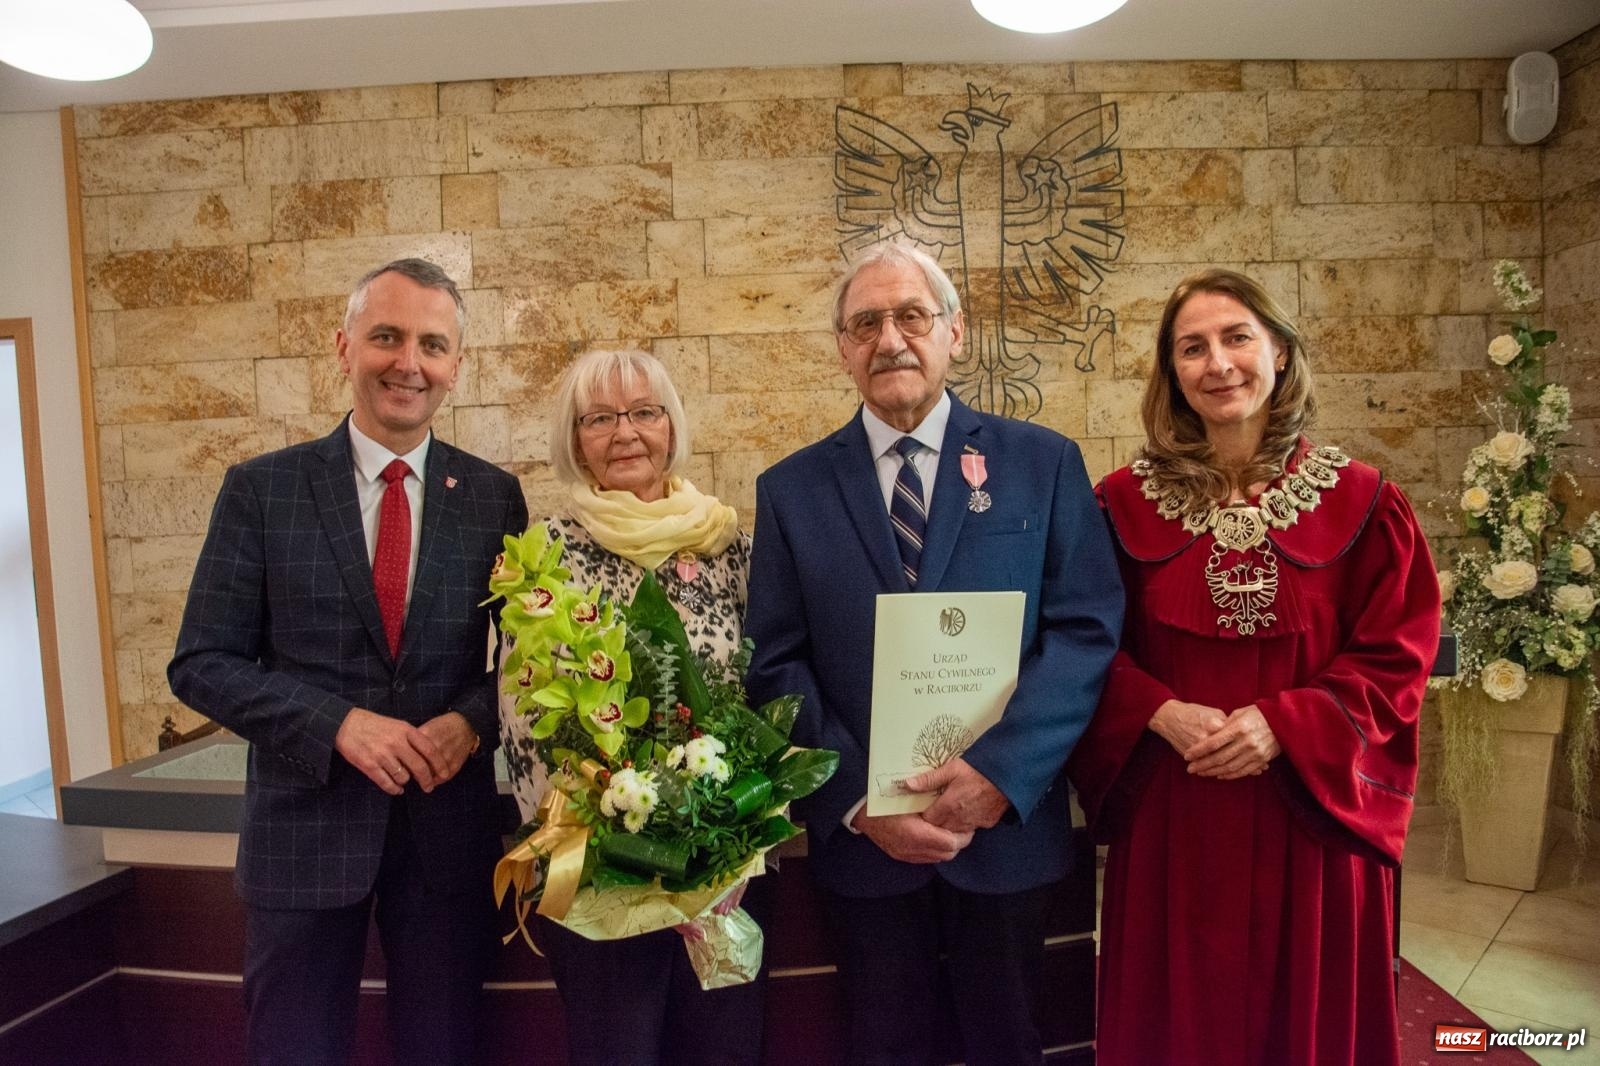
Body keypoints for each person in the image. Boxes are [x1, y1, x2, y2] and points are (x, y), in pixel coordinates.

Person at [743, 242, 1123, 1066]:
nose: (891, 339)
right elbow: (774, 663)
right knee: (883, 1045)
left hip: (1007, 835)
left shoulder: (1043, 464)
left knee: (1010, 1044)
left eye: (912, 316)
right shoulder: (791, 490)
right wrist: (857, 800)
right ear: (843, 347)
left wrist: (1002, 774)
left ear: (954, 332)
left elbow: (1086, 628)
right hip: (868, 848)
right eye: (866, 322)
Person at [1067, 268, 1440, 1065]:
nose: (1218, 363)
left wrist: (1283, 724)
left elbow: (1397, 655)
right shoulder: (1117, 505)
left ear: (1278, 351)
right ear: (1172, 375)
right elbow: (1079, 642)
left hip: (1310, 809)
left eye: (1237, 338)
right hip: (1175, 803)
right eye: (1191, 348)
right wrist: (1157, 711)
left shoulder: (1367, 502)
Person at [168, 258, 529, 1066]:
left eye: (432, 344)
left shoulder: (495, 497)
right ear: (343, 348)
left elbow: (522, 664)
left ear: (456, 366)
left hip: (446, 839)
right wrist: (338, 725)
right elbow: (201, 662)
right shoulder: (261, 491)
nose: (409, 363)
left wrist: (471, 724)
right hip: (302, 836)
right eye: (387, 337)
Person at [500, 348, 761, 1066]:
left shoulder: (727, 544)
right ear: (574, 437)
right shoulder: (546, 552)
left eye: (644, 412)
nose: (626, 434)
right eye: (601, 418)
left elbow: (760, 688)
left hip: (722, 873)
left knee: (725, 1051)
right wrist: (606, 843)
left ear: (670, 425)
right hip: (599, 880)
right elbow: (524, 719)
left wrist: (726, 840)